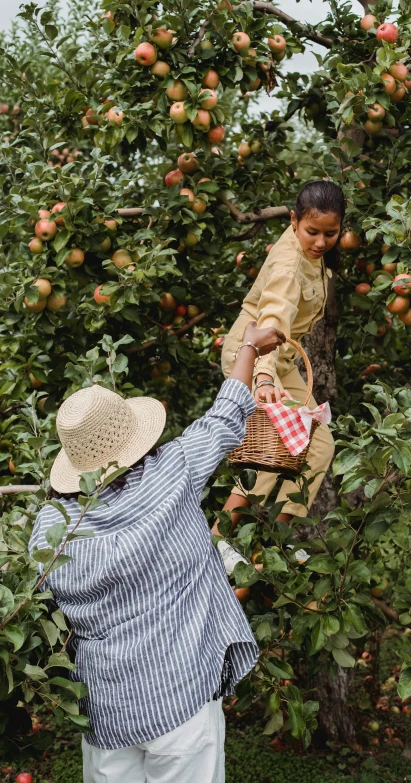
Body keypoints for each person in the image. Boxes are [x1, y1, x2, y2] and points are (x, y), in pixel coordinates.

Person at [28, 321, 285, 783]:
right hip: (179, 694)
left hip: (107, 708)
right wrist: (248, 345)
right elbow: (225, 418)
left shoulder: (51, 526)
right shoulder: (172, 473)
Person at [214, 180, 345, 572]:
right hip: (254, 354)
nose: (321, 242)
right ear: (293, 221)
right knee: (282, 443)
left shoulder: (312, 253)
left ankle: (278, 537)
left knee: (320, 446)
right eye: (313, 232)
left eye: (331, 234)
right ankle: (218, 540)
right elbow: (272, 319)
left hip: (283, 360)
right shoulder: (289, 266)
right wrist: (264, 378)